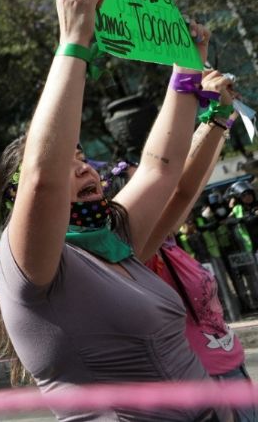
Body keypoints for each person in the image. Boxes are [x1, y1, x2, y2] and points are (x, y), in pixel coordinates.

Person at [0, 0, 222, 421]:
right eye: (67, 159)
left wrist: (187, 66)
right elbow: (44, 177)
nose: (79, 165)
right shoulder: (30, 266)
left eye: (82, 156)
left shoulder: (114, 238)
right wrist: (74, 41)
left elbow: (161, 168)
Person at [102, 72, 256, 422]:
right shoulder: (136, 249)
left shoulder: (167, 243)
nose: (157, 186)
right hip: (204, 386)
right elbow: (182, 187)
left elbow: (190, 183)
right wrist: (207, 110)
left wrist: (222, 116)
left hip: (231, 372)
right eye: (142, 184)